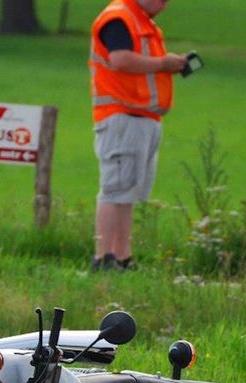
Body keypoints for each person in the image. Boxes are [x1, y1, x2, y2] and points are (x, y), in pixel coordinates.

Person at [89, 0, 186, 271]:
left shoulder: (141, 20)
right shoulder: (120, 17)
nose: (164, 5)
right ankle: (103, 257)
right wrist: (163, 63)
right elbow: (120, 59)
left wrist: (166, 64)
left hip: (142, 117)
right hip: (122, 115)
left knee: (128, 191)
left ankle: (122, 258)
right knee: (115, 188)